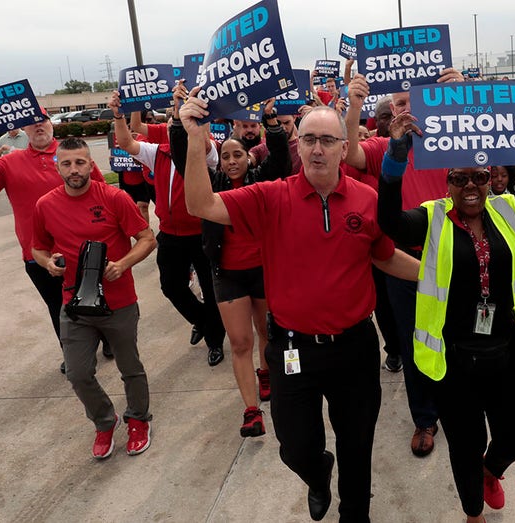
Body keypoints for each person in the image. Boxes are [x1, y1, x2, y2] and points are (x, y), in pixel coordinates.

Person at [180, 93, 420, 522]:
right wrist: (195, 140)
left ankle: (355, 514)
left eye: (328, 140)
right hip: (293, 349)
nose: (317, 148)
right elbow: (200, 205)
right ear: (299, 145)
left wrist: (436, 275)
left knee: (356, 442)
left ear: (343, 148)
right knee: (295, 447)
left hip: (355, 347)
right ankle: (316, 472)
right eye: (309, 139)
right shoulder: (270, 196)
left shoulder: (366, 200)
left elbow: (383, 256)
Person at [377, 101, 515, 523]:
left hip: (506, 353)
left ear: (491, 179)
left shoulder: (508, 209)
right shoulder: (431, 218)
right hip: (454, 362)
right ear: (447, 183)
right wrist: (397, 155)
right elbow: (389, 221)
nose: (470, 186)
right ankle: (473, 513)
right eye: (459, 178)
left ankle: (492, 470)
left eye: (479, 177)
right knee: (466, 445)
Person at [345, 68, 465, 457]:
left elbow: (500, 148)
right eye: (398, 104)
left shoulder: (455, 137)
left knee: (459, 338)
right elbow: (351, 153)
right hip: (404, 263)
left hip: (456, 256)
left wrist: (461, 96)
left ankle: (461, 407)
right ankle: (425, 418)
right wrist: (354, 104)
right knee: (417, 345)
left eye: (411, 102)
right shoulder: (385, 147)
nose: (405, 110)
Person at [169, 96, 291, 437]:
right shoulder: (211, 186)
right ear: (219, 162)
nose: (232, 160)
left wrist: (270, 123)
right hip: (228, 275)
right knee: (240, 343)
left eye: (238, 154)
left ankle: (266, 373)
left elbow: (280, 159)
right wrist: (182, 125)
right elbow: (183, 161)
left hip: (264, 271)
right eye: (226, 156)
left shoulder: (260, 180)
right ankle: (251, 411)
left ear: (248, 156)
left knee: (267, 333)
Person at [30, 137, 156, 459]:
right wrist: (47, 263)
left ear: (91, 164)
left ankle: (139, 420)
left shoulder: (114, 198)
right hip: (74, 305)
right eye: (67, 163)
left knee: (130, 367)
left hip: (119, 301)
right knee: (77, 373)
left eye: (80, 162)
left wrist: (124, 263)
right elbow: (38, 247)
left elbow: (146, 238)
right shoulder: (45, 205)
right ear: (58, 167)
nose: (74, 169)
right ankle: (104, 420)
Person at [0, 113, 106, 373]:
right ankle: (73, 354)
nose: (39, 125)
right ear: (24, 128)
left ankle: (107, 339)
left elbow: (101, 193)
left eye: (44, 119)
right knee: (59, 308)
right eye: (32, 121)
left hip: (83, 250)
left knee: (94, 299)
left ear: (51, 124)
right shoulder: (11, 162)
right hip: (38, 254)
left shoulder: (71, 157)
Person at [109, 88, 227, 366]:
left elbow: (207, 146)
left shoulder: (206, 151)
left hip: (201, 234)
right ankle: (203, 322)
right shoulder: (159, 153)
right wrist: (118, 115)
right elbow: (126, 142)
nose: (178, 127)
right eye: (174, 121)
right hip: (171, 236)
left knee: (211, 292)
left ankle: (214, 341)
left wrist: (197, 120)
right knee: (171, 287)